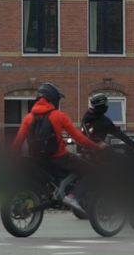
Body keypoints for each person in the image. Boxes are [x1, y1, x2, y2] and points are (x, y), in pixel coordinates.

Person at [11, 82, 102, 214]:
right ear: (54, 99)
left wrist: (14, 158)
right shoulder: (59, 116)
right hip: (59, 158)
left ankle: (55, 193)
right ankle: (72, 196)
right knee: (89, 170)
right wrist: (96, 147)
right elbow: (79, 138)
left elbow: (17, 142)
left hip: (36, 160)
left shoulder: (28, 118)